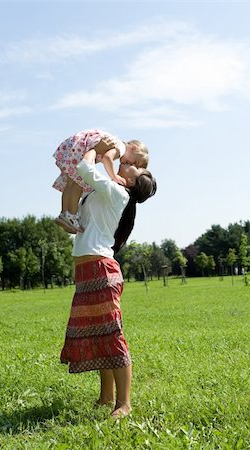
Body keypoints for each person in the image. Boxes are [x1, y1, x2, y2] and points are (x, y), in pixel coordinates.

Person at [60, 152, 156, 419]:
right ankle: (105, 398)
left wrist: (97, 148)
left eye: (131, 169)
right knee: (98, 336)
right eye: (127, 164)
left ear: (129, 184)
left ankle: (124, 404)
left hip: (102, 268)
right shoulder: (105, 191)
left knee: (111, 335)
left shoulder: (118, 193)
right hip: (85, 268)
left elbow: (83, 167)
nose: (126, 166)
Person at [52, 129, 149, 233]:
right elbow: (107, 158)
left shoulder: (116, 143)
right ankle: (71, 215)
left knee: (71, 182)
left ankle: (64, 213)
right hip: (82, 148)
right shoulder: (121, 148)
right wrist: (114, 176)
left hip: (76, 145)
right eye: (133, 162)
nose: (129, 164)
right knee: (78, 183)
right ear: (133, 148)